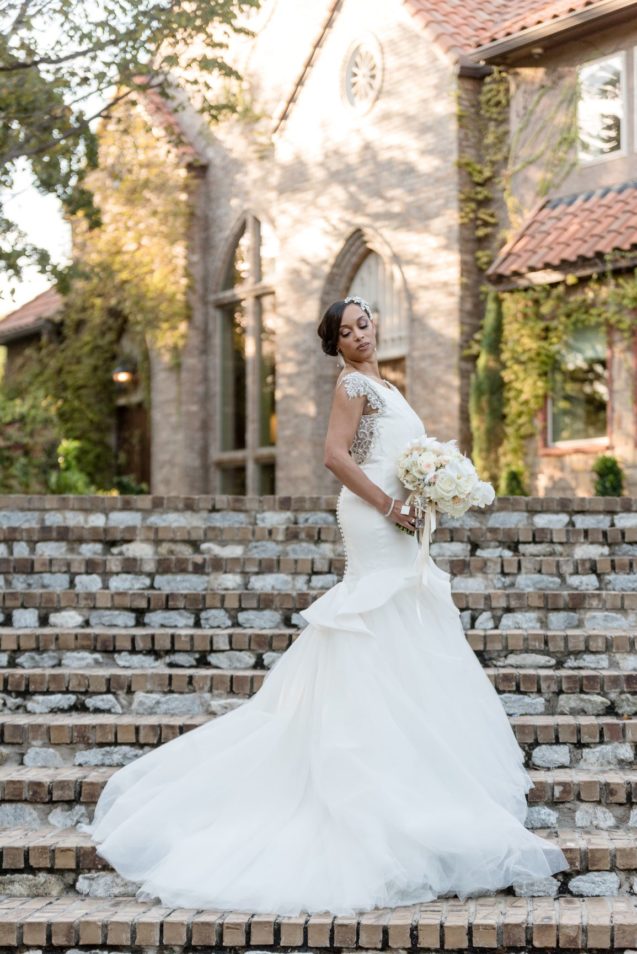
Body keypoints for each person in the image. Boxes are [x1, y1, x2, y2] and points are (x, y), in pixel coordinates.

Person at [79, 295, 569, 916]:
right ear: (334, 342)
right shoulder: (351, 388)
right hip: (372, 519)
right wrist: (392, 506)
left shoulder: (381, 383)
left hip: (401, 517)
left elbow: (396, 456)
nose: (359, 335)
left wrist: (430, 492)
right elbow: (335, 457)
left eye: (364, 324)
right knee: (372, 619)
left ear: (375, 326)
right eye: (346, 331)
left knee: (401, 631)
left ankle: (410, 775)